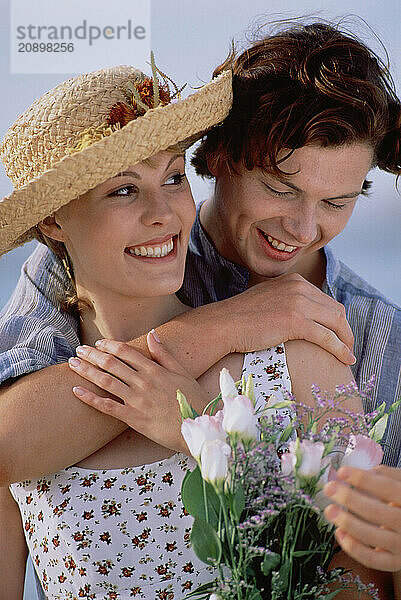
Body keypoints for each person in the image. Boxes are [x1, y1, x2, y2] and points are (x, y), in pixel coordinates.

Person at [0, 19, 400, 585]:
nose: (304, 227)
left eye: (336, 201)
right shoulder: (84, 265)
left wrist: (201, 431)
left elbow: (361, 573)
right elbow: (7, 445)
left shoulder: (374, 342)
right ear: (215, 158)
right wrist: (228, 323)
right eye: (280, 188)